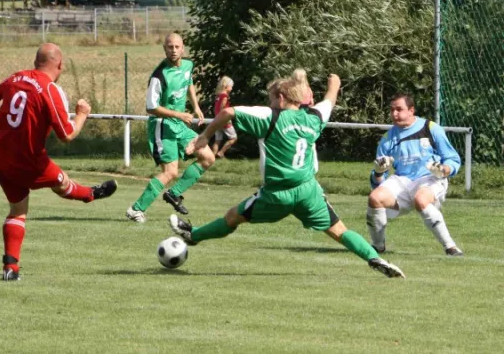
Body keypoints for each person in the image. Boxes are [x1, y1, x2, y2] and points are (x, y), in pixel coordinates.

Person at [169, 73, 406, 278]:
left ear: (281, 99)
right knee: (339, 231)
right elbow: (330, 99)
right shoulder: (313, 117)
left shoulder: (271, 116)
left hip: (276, 194)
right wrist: (334, 83)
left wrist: (204, 136)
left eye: (272, 98)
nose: (270, 102)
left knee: (233, 217)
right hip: (308, 191)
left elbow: (228, 112)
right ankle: (374, 258)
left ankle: (193, 235)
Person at [0, 43, 118, 281]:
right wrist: (82, 113)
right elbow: (67, 134)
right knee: (61, 184)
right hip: (28, 159)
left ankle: (10, 268)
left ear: (36, 61)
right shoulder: (51, 90)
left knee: (18, 210)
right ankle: (90, 194)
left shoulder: (17, 76)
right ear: (59, 64)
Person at [126, 33, 215, 223]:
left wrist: (196, 106)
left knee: (208, 157)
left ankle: (174, 194)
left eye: (177, 47)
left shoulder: (188, 65)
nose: (173, 50)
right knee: (170, 172)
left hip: (179, 125)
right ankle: (136, 209)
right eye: (169, 47)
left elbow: (188, 82)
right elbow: (151, 108)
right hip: (162, 126)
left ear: (183, 48)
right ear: (164, 49)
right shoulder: (159, 76)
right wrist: (180, 114)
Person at [366, 93, 463, 256]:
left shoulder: (431, 128)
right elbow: (377, 183)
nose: (394, 114)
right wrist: (378, 172)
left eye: (399, 109)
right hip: (402, 180)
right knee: (374, 198)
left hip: (429, 178)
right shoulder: (388, 138)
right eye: (392, 110)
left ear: (411, 110)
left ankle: (450, 247)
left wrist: (443, 169)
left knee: (421, 199)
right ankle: (378, 246)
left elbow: (453, 159)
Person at [211, 76, 238, 158]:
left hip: (217, 120)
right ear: (226, 86)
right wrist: (227, 119)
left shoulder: (218, 95)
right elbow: (222, 108)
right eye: (231, 86)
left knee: (217, 140)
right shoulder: (225, 96)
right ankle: (221, 152)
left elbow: (215, 109)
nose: (232, 88)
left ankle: (212, 157)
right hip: (224, 120)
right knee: (233, 138)